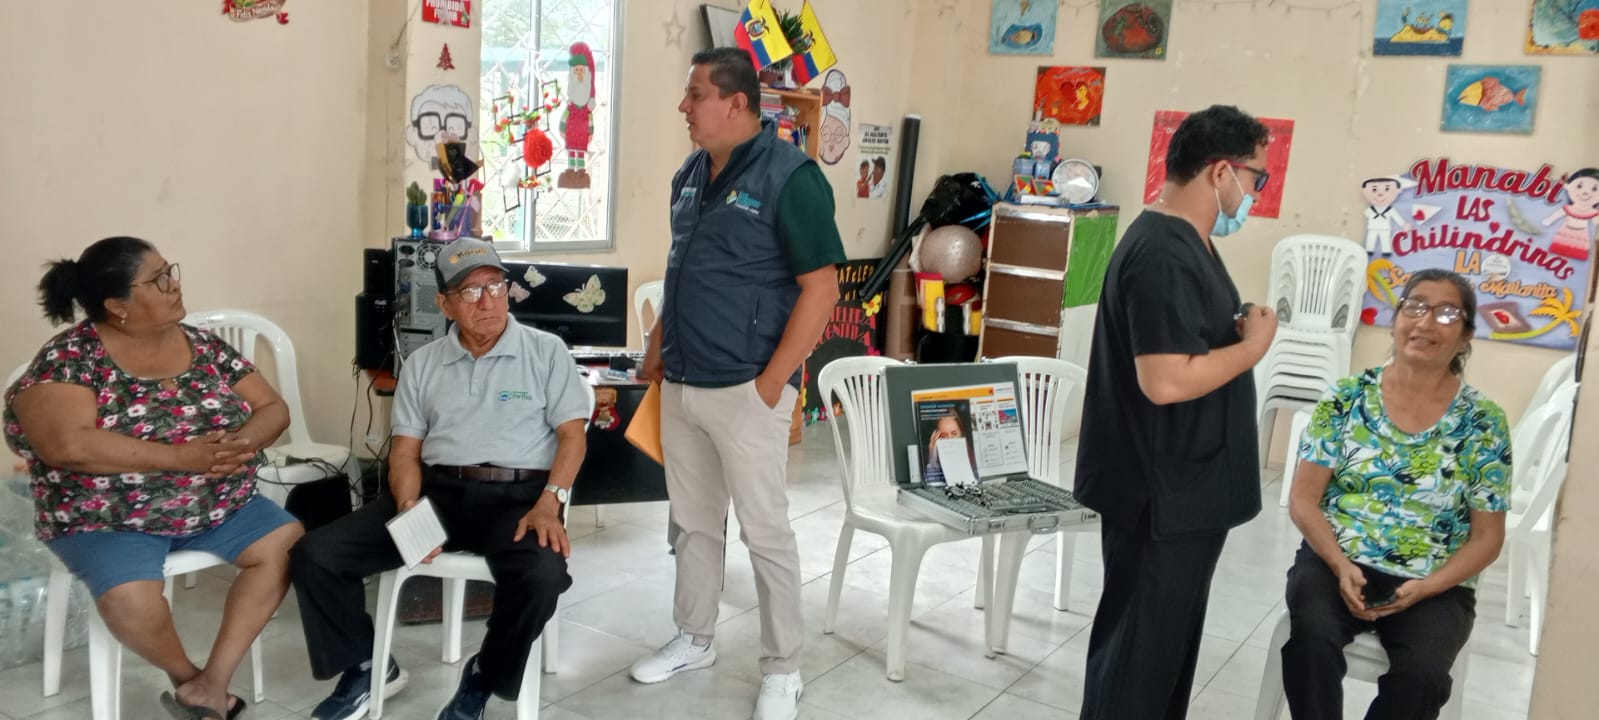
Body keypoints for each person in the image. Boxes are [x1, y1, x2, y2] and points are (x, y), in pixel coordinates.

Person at [3, 236, 303, 720]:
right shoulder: (70, 357)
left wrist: (242, 442)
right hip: (108, 516)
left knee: (286, 545)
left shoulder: (202, 344)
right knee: (131, 598)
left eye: (170, 271)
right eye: (158, 279)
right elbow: (67, 446)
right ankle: (186, 677)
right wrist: (180, 458)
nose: (174, 284)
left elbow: (272, 407)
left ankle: (213, 684)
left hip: (219, 503)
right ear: (117, 305)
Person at [290, 237, 588, 720]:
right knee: (316, 554)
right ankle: (365, 666)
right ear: (445, 305)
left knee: (542, 575)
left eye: (495, 286)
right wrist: (411, 512)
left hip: (518, 499)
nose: (487, 301)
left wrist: (550, 500)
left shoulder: (546, 351)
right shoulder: (423, 363)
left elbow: (573, 437)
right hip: (436, 495)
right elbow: (405, 452)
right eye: (469, 292)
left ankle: (484, 675)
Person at [631, 46, 845, 720]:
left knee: (764, 532)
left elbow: (822, 289)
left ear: (737, 103)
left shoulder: (791, 177)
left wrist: (772, 384)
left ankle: (783, 668)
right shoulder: (690, 174)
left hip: (747, 388)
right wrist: (656, 349)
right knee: (692, 524)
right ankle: (694, 637)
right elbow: (682, 269)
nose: (684, 106)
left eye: (695, 94)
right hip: (684, 381)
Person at [1072, 105, 1278, 720]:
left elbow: (1184, 342)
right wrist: (1253, 348)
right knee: (1137, 663)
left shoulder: (1190, 241)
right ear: (1221, 172)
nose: (1254, 193)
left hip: (1185, 490)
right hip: (1159, 493)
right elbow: (1164, 381)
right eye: (1257, 177)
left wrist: (1230, 332)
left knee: (1163, 660)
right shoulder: (1163, 251)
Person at [1282, 269, 1510, 719]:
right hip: (1337, 560)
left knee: (1422, 676)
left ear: (1466, 336)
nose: (1425, 322)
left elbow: (1488, 537)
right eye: (1415, 306)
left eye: (1447, 313)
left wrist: (1427, 587)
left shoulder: (1484, 422)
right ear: (1396, 320)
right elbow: (1303, 499)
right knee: (1310, 640)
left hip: (1434, 578)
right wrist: (1339, 564)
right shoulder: (1346, 397)